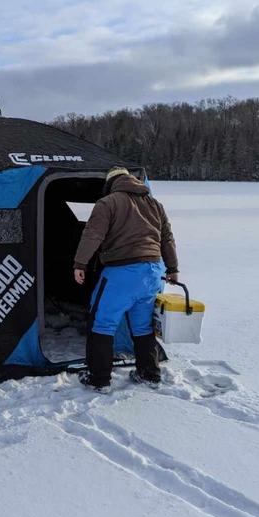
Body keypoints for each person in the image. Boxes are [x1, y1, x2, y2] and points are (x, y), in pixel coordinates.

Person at [73, 167, 179, 391]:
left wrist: (80, 263)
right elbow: (167, 237)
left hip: (121, 273)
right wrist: (172, 267)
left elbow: (93, 234)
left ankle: (99, 379)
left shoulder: (108, 202)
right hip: (152, 272)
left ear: (111, 183)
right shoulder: (155, 204)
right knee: (142, 327)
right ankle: (149, 373)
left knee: (102, 323)